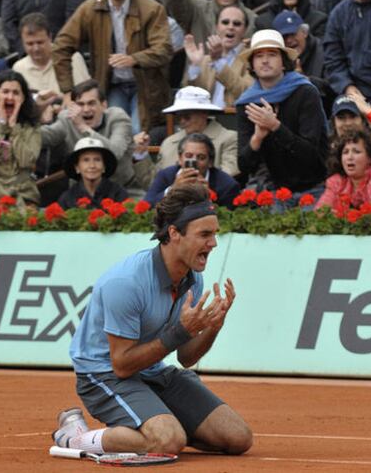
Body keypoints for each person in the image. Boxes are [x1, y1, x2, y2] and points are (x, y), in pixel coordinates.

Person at [51, 183, 253, 456]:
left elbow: (185, 358)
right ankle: (77, 437)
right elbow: (121, 366)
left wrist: (214, 327)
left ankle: (164, 426)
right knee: (167, 441)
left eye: (214, 234)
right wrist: (180, 331)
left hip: (153, 372)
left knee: (237, 439)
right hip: (103, 375)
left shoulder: (192, 278)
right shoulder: (125, 283)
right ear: (174, 233)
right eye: (205, 234)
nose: (214, 243)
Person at [52, 0, 172, 134]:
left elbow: (164, 50)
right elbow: (61, 46)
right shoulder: (89, 9)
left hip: (145, 87)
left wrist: (134, 59)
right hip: (111, 85)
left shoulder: (151, 9)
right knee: (117, 131)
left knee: (137, 131)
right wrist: (68, 91)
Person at [236, 29, 327, 208]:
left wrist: (276, 127)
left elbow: (310, 154)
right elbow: (244, 165)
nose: (265, 60)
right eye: (259, 55)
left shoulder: (306, 92)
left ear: (284, 62)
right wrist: (257, 138)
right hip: (271, 188)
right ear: (252, 65)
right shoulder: (246, 103)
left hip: (312, 186)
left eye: (272, 54)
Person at [40, 79, 137, 192]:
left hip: (122, 188)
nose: (86, 110)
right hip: (82, 191)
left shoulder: (118, 117)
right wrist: (37, 109)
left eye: (91, 103)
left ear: (104, 105)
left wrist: (83, 128)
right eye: (80, 104)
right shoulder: (67, 119)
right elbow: (43, 137)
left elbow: (115, 152)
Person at [316, 93, 371, 209]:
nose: (348, 123)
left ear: (369, 155)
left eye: (356, 151)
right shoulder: (336, 182)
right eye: (345, 152)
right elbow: (320, 214)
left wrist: (369, 111)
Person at [157, 86, 239, 177]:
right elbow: (155, 183)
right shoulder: (168, 143)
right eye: (178, 117)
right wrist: (141, 156)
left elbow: (228, 176)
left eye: (186, 116)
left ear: (204, 113)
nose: (182, 121)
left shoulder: (229, 139)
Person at [0, 70, 41, 207]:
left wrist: (13, 128)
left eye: (16, 93)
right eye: (5, 92)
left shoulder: (31, 128)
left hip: (23, 195)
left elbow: (26, 162)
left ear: (23, 98)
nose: (10, 97)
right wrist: (1, 124)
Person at [183, 4, 253, 108]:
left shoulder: (251, 58)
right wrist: (195, 65)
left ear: (245, 30)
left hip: (231, 119)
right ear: (216, 27)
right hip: (205, 118)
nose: (230, 27)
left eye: (237, 24)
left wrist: (219, 63)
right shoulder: (205, 60)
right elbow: (188, 98)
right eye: (225, 22)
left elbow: (245, 92)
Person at [145, 133, 240, 208]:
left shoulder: (227, 184)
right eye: (188, 156)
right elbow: (148, 205)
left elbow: (228, 219)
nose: (194, 161)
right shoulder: (165, 175)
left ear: (210, 162)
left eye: (201, 157)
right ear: (180, 158)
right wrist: (173, 190)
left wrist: (208, 197)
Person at [12, 12, 89, 98]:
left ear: (50, 37)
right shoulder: (19, 68)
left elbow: (85, 96)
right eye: (30, 44)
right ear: (22, 42)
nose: (36, 48)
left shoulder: (72, 58)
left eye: (40, 42)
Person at [58, 137, 128, 209]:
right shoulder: (67, 198)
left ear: (104, 167)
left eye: (97, 160)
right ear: (77, 168)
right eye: (86, 160)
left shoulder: (118, 194)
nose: (92, 165)